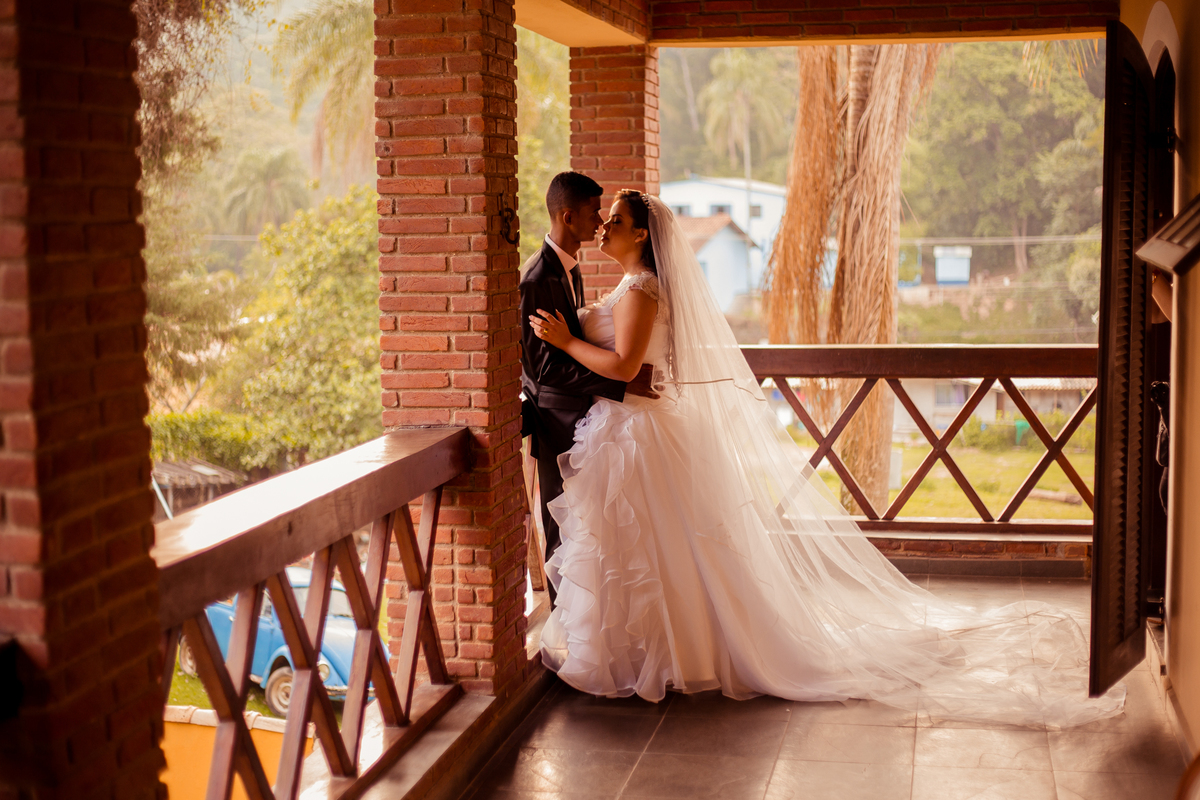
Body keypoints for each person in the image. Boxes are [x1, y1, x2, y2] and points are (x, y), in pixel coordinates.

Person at [528, 189, 1125, 728]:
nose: (605, 225)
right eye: (602, 217)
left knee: (651, 549)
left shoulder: (642, 291)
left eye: (617, 220)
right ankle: (645, 652)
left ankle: (662, 655)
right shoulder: (628, 287)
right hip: (632, 425)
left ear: (641, 237)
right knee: (647, 551)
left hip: (641, 431)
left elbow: (629, 368)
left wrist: (567, 341)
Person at [519, 172, 657, 578]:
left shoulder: (571, 269)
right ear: (567, 216)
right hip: (555, 421)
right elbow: (543, 369)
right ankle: (569, 631)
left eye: (608, 215)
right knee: (564, 536)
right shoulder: (538, 278)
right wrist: (622, 382)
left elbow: (570, 346)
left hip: (586, 422)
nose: (599, 221)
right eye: (594, 212)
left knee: (587, 533)